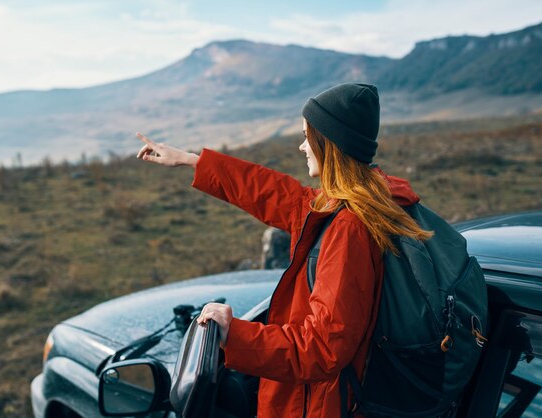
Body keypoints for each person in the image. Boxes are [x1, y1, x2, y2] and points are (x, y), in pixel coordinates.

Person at [135, 83, 432, 418]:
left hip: (322, 406)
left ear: (330, 144)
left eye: (308, 136)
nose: (302, 146)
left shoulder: (349, 227)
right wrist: (194, 162)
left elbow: (322, 348)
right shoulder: (363, 198)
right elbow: (278, 194)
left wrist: (234, 333)